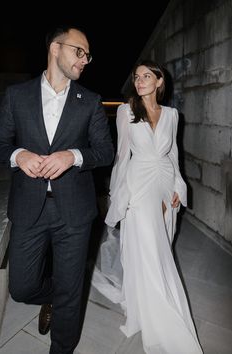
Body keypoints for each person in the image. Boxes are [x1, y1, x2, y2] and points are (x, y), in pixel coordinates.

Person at [0, 25, 114, 354]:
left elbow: (105, 152)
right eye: (80, 51)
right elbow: (0, 143)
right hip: (28, 207)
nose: (85, 60)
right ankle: (52, 296)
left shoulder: (89, 102)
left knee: (70, 291)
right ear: (55, 48)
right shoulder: (16, 96)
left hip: (74, 212)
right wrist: (17, 155)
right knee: (21, 287)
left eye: (87, 55)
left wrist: (73, 155)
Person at [92, 60, 203, 353]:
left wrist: (179, 187)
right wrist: (119, 194)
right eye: (136, 77)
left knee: (159, 244)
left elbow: (173, 155)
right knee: (148, 246)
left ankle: (147, 299)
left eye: (146, 76)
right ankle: (160, 311)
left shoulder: (172, 114)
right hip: (138, 186)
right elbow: (122, 156)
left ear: (159, 82)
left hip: (165, 184)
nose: (139, 81)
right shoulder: (126, 111)